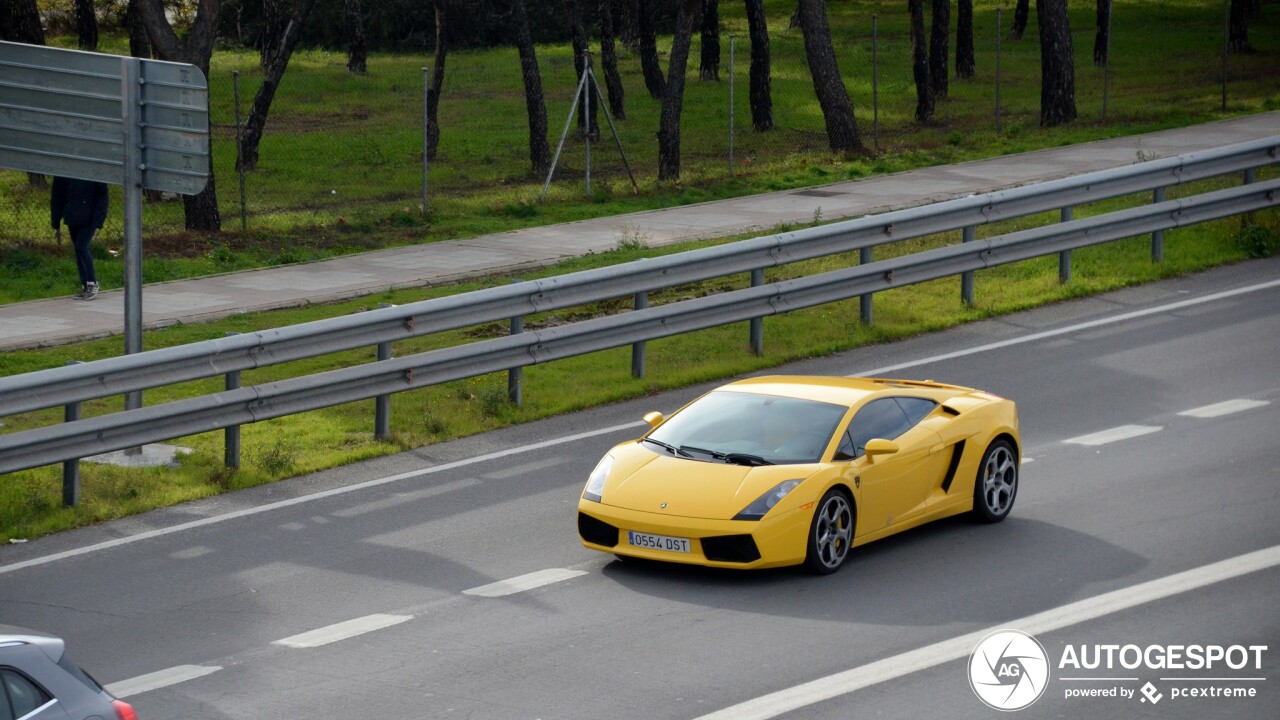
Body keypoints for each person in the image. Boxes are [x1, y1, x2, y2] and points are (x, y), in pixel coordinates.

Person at [51, 176, 110, 300]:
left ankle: (92, 283)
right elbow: (57, 196)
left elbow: (103, 196)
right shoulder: (63, 175)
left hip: (89, 218)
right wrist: (55, 219)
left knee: (81, 247)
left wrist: (98, 219)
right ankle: (85, 285)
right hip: (72, 216)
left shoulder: (94, 173)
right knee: (78, 249)